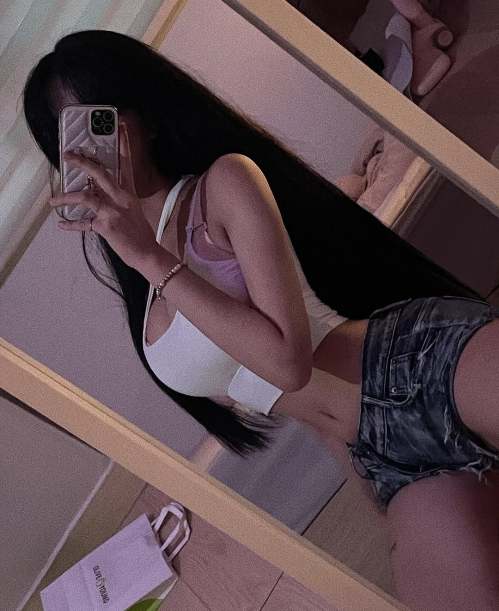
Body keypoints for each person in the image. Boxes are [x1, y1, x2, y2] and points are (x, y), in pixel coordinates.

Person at [23, 30, 499, 610]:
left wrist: (149, 256)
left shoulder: (221, 185)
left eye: (99, 118)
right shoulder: (143, 294)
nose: (91, 149)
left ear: (141, 114)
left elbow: (287, 364)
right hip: (379, 457)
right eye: (69, 135)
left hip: (413, 362)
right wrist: (376, 492)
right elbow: (291, 405)